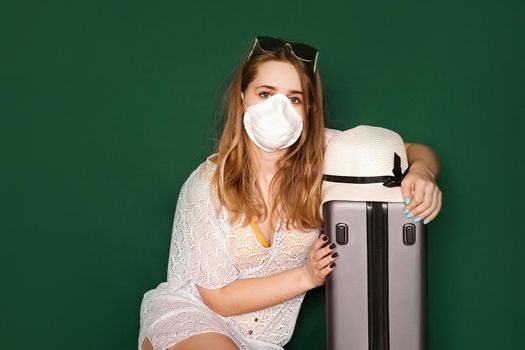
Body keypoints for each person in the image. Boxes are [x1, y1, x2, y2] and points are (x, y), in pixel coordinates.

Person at [138, 36, 442, 350]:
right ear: (243, 97)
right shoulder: (207, 184)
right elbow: (218, 298)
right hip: (194, 318)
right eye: (266, 93)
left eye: (294, 98)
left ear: (308, 108)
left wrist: (422, 172)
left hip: (264, 341)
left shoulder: (330, 154)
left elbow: (411, 150)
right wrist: (306, 276)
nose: (279, 108)